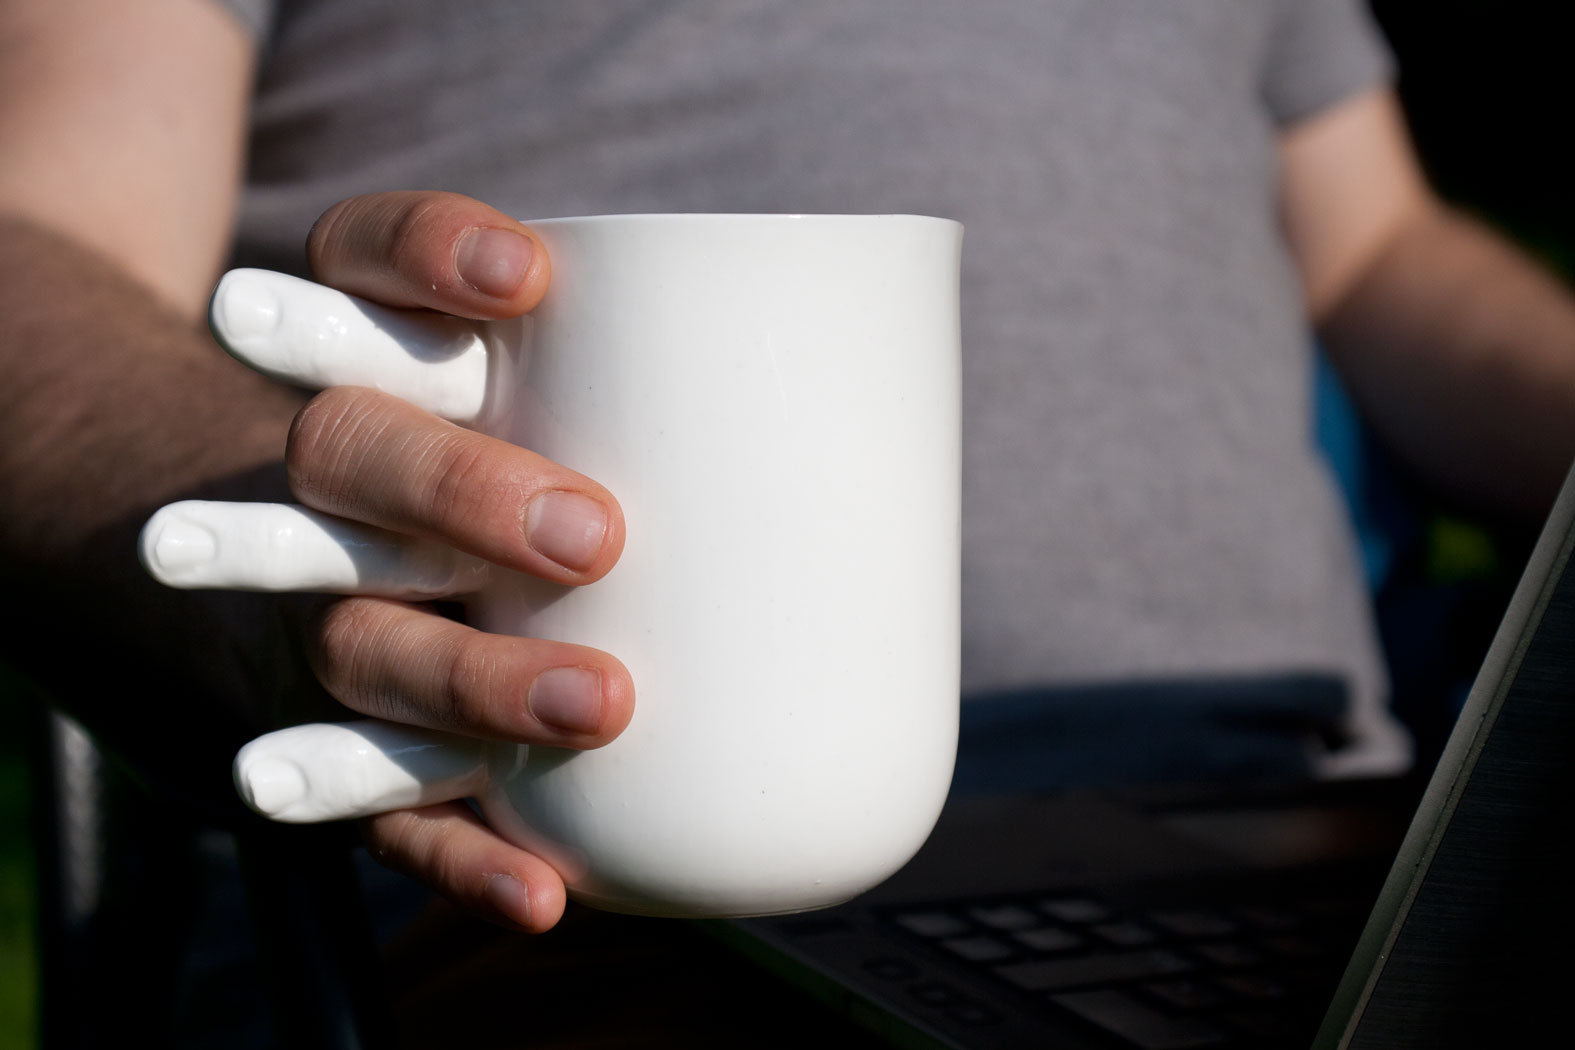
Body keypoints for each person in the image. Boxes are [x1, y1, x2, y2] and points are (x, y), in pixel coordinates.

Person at [4, 0, 1575, 956]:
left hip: (1307, 828)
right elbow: (32, 253)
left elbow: (1373, 248)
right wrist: (304, 567)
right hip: (563, 882)